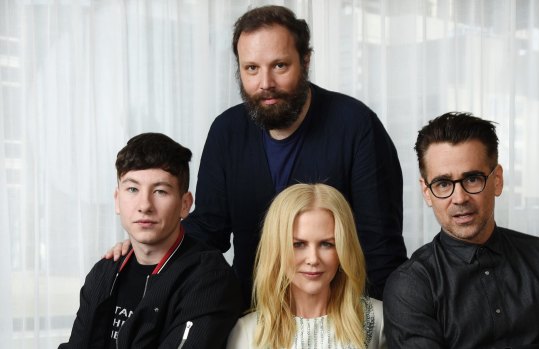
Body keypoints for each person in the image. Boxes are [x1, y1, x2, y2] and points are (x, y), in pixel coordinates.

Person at [108, 5, 407, 308]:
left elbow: (380, 246)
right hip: (253, 313)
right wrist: (148, 250)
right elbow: (208, 231)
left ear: (305, 61)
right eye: (252, 68)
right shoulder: (227, 131)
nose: (265, 83)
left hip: (338, 312)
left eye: (279, 66)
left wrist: (380, 328)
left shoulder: (356, 126)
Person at [383, 112, 539, 348]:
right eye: (443, 184)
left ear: (497, 180)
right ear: (426, 192)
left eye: (473, 179)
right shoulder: (410, 287)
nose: (459, 198)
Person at [60, 133, 242, 349]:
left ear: (185, 204)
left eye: (160, 191)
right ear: (117, 201)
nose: (144, 205)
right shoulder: (104, 273)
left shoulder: (209, 279)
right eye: (132, 189)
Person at [226, 183, 386, 348]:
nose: (313, 259)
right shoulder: (247, 332)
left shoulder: (380, 321)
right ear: (276, 250)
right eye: (298, 244)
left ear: (343, 249)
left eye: (326, 244)